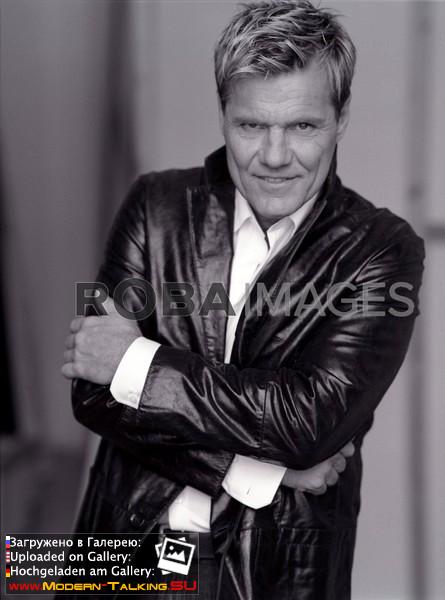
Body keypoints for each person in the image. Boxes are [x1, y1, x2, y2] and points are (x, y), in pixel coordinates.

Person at [62, 1, 424, 598]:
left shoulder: (381, 250)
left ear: (341, 117)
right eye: (251, 126)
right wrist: (254, 470)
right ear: (223, 114)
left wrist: (134, 364)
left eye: (302, 127)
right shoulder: (154, 206)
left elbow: (308, 422)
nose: (275, 156)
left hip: (272, 574)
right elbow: (92, 392)